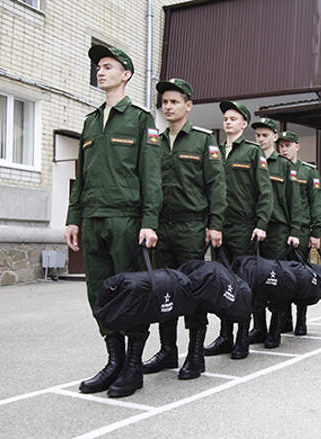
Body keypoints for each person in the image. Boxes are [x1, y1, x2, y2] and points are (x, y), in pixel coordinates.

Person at [65, 45, 162, 397]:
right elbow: (83, 176)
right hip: (93, 221)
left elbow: (151, 176)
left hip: (126, 221)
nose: (100, 72)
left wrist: (149, 222)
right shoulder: (90, 121)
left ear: (126, 74)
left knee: (131, 293)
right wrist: (73, 218)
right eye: (98, 68)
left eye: (107, 67)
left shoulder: (140, 120)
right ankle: (114, 361)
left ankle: (133, 366)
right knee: (99, 295)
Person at [141, 78, 226, 380]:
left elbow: (217, 185)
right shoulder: (156, 141)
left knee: (191, 290)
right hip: (162, 227)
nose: (168, 106)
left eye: (175, 101)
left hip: (192, 227)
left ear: (189, 106)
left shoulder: (203, 140)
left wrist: (215, 224)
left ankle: (195, 354)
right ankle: (167, 351)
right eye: (164, 102)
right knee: (164, 290)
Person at [203, 101, 273, 360]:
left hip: (244, 228)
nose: (228, 122)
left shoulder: (253, 152)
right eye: (226, 118)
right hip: (219, 227)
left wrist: (261, 224)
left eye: (234, 118)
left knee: (243, 284)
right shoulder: (214, 151)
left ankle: (242, 336)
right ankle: (225, 336)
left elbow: (265, 191)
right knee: (222, 283)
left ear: (244, 124)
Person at [249, 118, 301, 349]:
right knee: (255, 280)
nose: (260, 139)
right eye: (258, 135)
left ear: (275, 137)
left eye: (265, 135)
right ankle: (258, 327)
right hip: (253, 229)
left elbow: (295, 201)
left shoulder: (284, 165)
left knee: (276, 281)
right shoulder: (250, 158)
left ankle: (275, 329)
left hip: (278, 230)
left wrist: (295, 230)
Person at [278, 130, 321, 336]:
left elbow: (317, 203)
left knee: (301, 277)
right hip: (279, 232)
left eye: (288, 145)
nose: (284, 149)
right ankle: (284, 319)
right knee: (282, 277)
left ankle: (301, 320)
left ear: (297, 146)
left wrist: (316, 232)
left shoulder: (308, 172)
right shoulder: (276, 168)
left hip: (303, 232)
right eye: (281, 145)